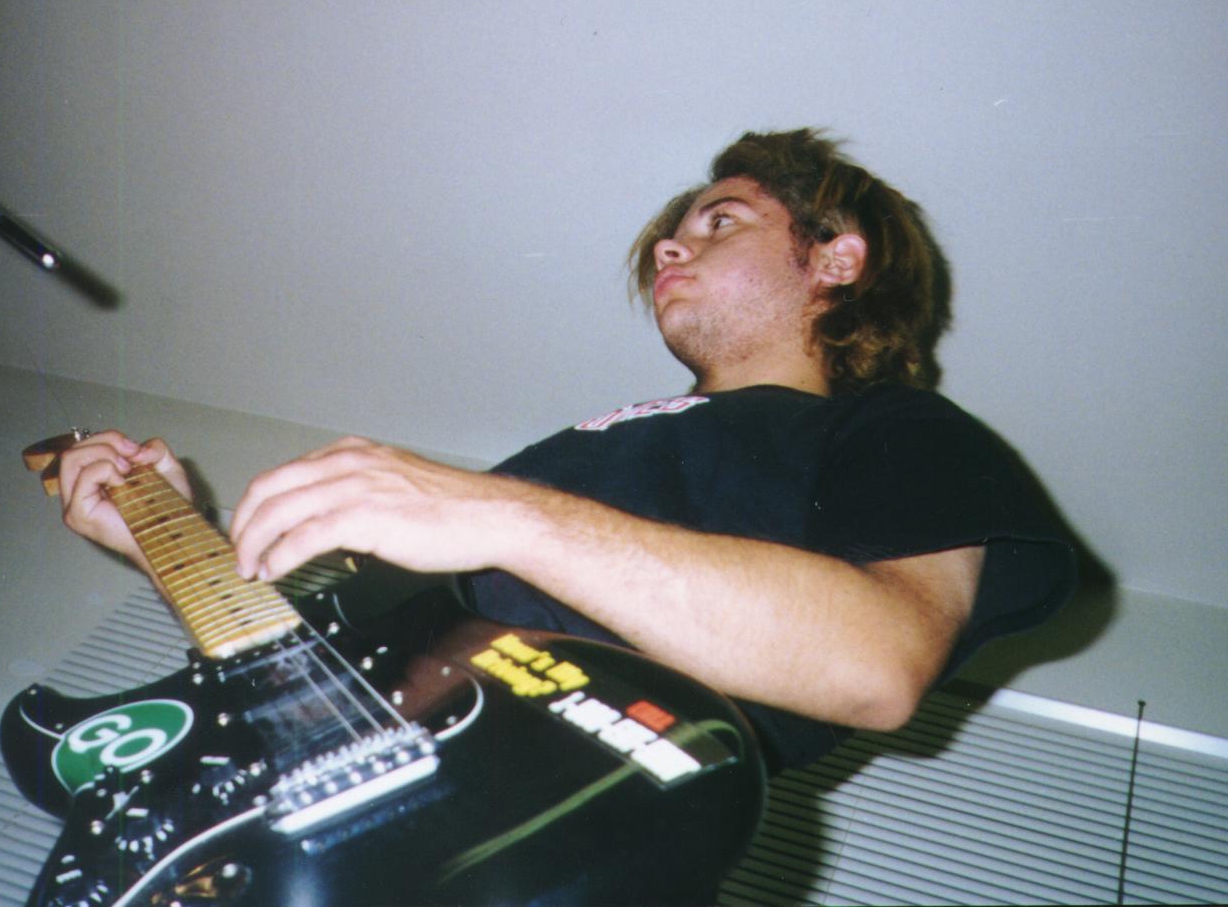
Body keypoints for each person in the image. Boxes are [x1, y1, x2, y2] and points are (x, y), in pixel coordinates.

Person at [57, 128, 1075, 773]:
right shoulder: (571, 460)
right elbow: (327, 692)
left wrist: (498, 513)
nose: (670, 245)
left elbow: (876, 664)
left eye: (720, 221)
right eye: (674, 232)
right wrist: (172, 540)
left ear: (836, 257)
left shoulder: (901, 430)